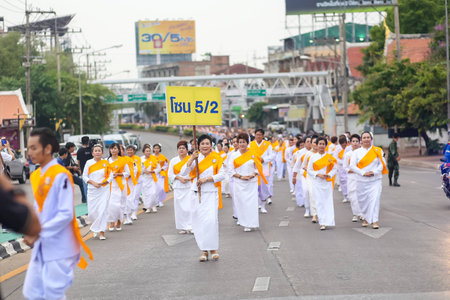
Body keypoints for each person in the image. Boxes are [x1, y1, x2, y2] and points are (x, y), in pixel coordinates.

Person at [23, 128, 92, 299]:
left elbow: (66, 214)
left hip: (60, 245)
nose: (29, 152)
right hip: (43, 243)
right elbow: (40, 209)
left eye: (33, 148)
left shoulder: (60, 175)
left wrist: (37, 231)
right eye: (28, 148)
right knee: (32, 292)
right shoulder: (37, 175)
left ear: (47, 149)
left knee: (53, 293)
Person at [185, 134, 225, 262]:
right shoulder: (196, 158)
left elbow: (222, 174)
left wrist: (206, 179)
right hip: (197, 193)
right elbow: (185, 172)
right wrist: (191, 158)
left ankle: (213, 249)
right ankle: (203, 250)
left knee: (211, 221)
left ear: (211, 145)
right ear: (198, 145)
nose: (205, 146)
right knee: (199, 222)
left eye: (207, 143)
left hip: (211, 192)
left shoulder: (216, 157)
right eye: (202, 144)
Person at [350, 131, 388, 229]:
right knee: (363, 201)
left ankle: (374, 221)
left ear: (371, 139)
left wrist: (374, 172)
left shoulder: (378, 150)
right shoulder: (356, 152)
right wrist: (363, 173)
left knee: (375, 201)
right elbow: (352, 166)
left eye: (368, 137)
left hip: (375, 181)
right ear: (361, 140)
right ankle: (366, 218)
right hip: (361, 181)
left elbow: (382, 164)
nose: (366, 139)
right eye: (364, 138)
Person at [229, 133, 267, 232]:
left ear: (247, 143)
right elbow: (230, 171)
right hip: (239, 183)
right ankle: (243, 222)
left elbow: (259, 168)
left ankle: (251, 223)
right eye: (240, 142)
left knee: (251, 203)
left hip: (251, 182)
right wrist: (241, 177)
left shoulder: (253, 153)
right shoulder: (233, 155)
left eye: (244, 142)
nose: (242, 144)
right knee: (241, 203)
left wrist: (253, 175)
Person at [83, 144, 112, 240]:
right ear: (92, 153)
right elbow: (84, 176)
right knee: (92, 212)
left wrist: (103, 182)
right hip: (92, 190)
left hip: (104, 189)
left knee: (102, 210)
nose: (97, 152)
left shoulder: (105, 162)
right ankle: (95, 228)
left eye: (99, 150)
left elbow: (110, 176)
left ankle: (102, 232)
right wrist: (93, 182)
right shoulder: (88, 163)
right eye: (95, 151)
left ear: (102, 152)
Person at [308, 137, 337, 231]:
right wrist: (317, 174)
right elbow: (309, 170)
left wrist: (329, 175)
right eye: (319, 144)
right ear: (317, 145)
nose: (321, 146)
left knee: (328, 201)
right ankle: (322, 222)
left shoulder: (330, 157)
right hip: (317, 182)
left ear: (326, 145)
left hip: (327, 182)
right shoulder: (313, 157)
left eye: (323, 144)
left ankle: (329, 221)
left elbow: (334, 169)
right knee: (319, 202)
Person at [168, 140, 193, 234]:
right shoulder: (173, 160)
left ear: (187, 150)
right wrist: (179, 178)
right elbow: (170, 174)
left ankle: (190, 226)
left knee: (189, 207)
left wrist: (188, 178)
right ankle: (183, 227)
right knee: (180, 208)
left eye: (183, 148)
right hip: (178, 186)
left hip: (188, 186)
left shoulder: (191, 159)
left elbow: (194, 171)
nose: (181, 150)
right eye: (179, 148)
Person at [249, 129, 275, 212]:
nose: (258, 136)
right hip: (254, 169)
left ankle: (263, 206)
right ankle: (257, 204)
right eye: (257, 134)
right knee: (255, 187)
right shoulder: (251, 144)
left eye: (260, 135)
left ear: (263, 136)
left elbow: (272, 155)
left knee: (263, 188)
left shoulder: (267, 144)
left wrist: (264, 159)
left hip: (264, 169)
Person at [107, 143, 130, 231]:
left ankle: (119, 221)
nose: (113, 150)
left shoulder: (123, 160)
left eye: (115, 148)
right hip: (111, 185)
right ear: (110, 150)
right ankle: (112, 222)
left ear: (118, 150)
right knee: (111, 205)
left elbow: (127, 173)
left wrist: (119, 174)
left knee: (121, 204)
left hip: (121, 185)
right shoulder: (107, 161)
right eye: (112, 148)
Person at [344, 134, 362, 222]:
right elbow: (345, 167)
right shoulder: (348, 154)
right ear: (350, 143)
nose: (355, 143)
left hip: (361, 177)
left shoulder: (362, 153)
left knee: (361, 195)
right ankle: (355, 214)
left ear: (359, 143)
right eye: (353, 141)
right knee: (352, 196)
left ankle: (362, 213)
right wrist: (352, 171)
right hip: (351, 177)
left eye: (356, 141)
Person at [302, 136, 319, 222]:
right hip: (310, 177)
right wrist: (310, 170)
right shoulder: (308, 154)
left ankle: (321, 213)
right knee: (312, 194)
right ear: (311, 144)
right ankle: (314, 214)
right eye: (314, 143)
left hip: (320, 178)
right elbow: (303, 166)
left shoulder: (322, 154)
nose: (316, 144)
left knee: (319, 195)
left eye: (318, 143)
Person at [293, 136, 311, 213]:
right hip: (304, 175)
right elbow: (297, 165)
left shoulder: (316, 152)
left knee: (313, 193)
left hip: (315, 176)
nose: (309, 143)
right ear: (304, 143)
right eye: (308, 141)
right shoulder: (301, 152)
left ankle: (314, 211)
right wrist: (294, 176)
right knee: (305, 191)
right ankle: (307, 209)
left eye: (311, 141)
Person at [141, 144, 160, 213]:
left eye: (149, 151)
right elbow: (138, 169)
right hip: (144, 179)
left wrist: (152, 171)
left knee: (153, 193)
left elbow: (159, 168)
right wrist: (144, 171)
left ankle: (154, 205)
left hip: (152, 178)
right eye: (147, 151)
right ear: (143, 152)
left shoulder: (154, 158)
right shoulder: (141, 160)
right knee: (146, 194)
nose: (148, 152)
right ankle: (148, 207)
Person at [128, 145, 143, 220]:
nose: (130, 151)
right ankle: (129, 212)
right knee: (129, 197)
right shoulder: (125, 159)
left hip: (137, 180)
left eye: (131, 150)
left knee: (135, 197)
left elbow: (139, 169)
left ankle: (134, 213)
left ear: (134, 151)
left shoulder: (137, 159)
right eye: (128, 150)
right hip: (128, 181)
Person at [333, 135, 349, 203]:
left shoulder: (349, 148)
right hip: (341, 167)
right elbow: (335, 158)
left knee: (349, 181)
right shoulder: (337, 148)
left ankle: (350, 195)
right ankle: (345, 195)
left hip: (348, 167)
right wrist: (342, 162)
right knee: (343, 181)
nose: (344, 146)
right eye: (342, 145)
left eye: (345, 144)